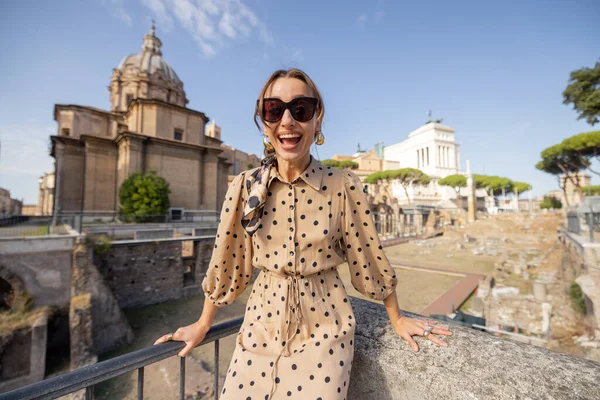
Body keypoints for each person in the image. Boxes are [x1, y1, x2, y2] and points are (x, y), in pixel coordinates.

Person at [155, 68, 452, 399]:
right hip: (259, 327)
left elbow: (367, 255)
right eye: (273, 109)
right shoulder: (244, 186)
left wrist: (396, 318)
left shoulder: (343, 185)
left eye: (301, 110)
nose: (287, 121)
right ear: (264, 122)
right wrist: (203, 323)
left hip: (324, 330)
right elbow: (229, 261)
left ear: (317, 121)